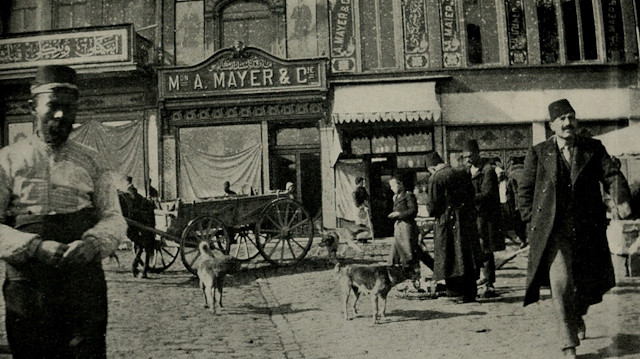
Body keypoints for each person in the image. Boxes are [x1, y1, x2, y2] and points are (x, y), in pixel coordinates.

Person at [0, 65, 127, 358]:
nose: (61, 116)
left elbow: (113, 216)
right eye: (53, 106)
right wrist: (34, 246)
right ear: (34, 107)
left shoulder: (93, 160)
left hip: (82, 284)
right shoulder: (8, 160)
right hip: (28, 287)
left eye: (69, 109)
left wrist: (93, 243)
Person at [517, 98, 632, 358]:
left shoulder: (592, 148)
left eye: (571, 117)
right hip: (553, 231)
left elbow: (611, 175)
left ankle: (578, 314)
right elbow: (524, 192)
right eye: (562, 119)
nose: (568, 123)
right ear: (551, 125)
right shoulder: (538, 153)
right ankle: (568, 344)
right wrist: (530, 223)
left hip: (587, 229)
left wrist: (621, 199)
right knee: (561, 283)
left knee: (588, 284)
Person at [426, 151, 481, 303]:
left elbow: (432, 208)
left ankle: (455, 293)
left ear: (431, 167)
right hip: (465, 221)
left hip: (446, 224)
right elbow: (472, 195)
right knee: (466, 256)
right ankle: (470, 293)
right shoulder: (462, 172)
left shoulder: (435, 178)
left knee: (448, 256)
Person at [462, 139, 504, 298]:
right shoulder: (468, 171)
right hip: (473, 216)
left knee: (485, 249)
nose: (467, 159)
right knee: (476, 249)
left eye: (470, 156)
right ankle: (480, 279)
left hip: (486, 217)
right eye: (465, 157)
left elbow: (487, 194)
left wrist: (466, 198)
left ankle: (489, 283)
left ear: (478, 153)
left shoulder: (487, 171)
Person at [352, 176, 372, 242]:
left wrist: (366, 202)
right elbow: (356, 203)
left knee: (366, 224)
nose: (363, 183)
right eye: (361, 182)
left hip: (364, 208)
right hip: (359, 209)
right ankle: (360, 238)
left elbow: (367, 197)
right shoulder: (355, 191)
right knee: (360, 224)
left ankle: (365, 238)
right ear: (358, 183)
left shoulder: (363, 189)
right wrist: (362, 206)